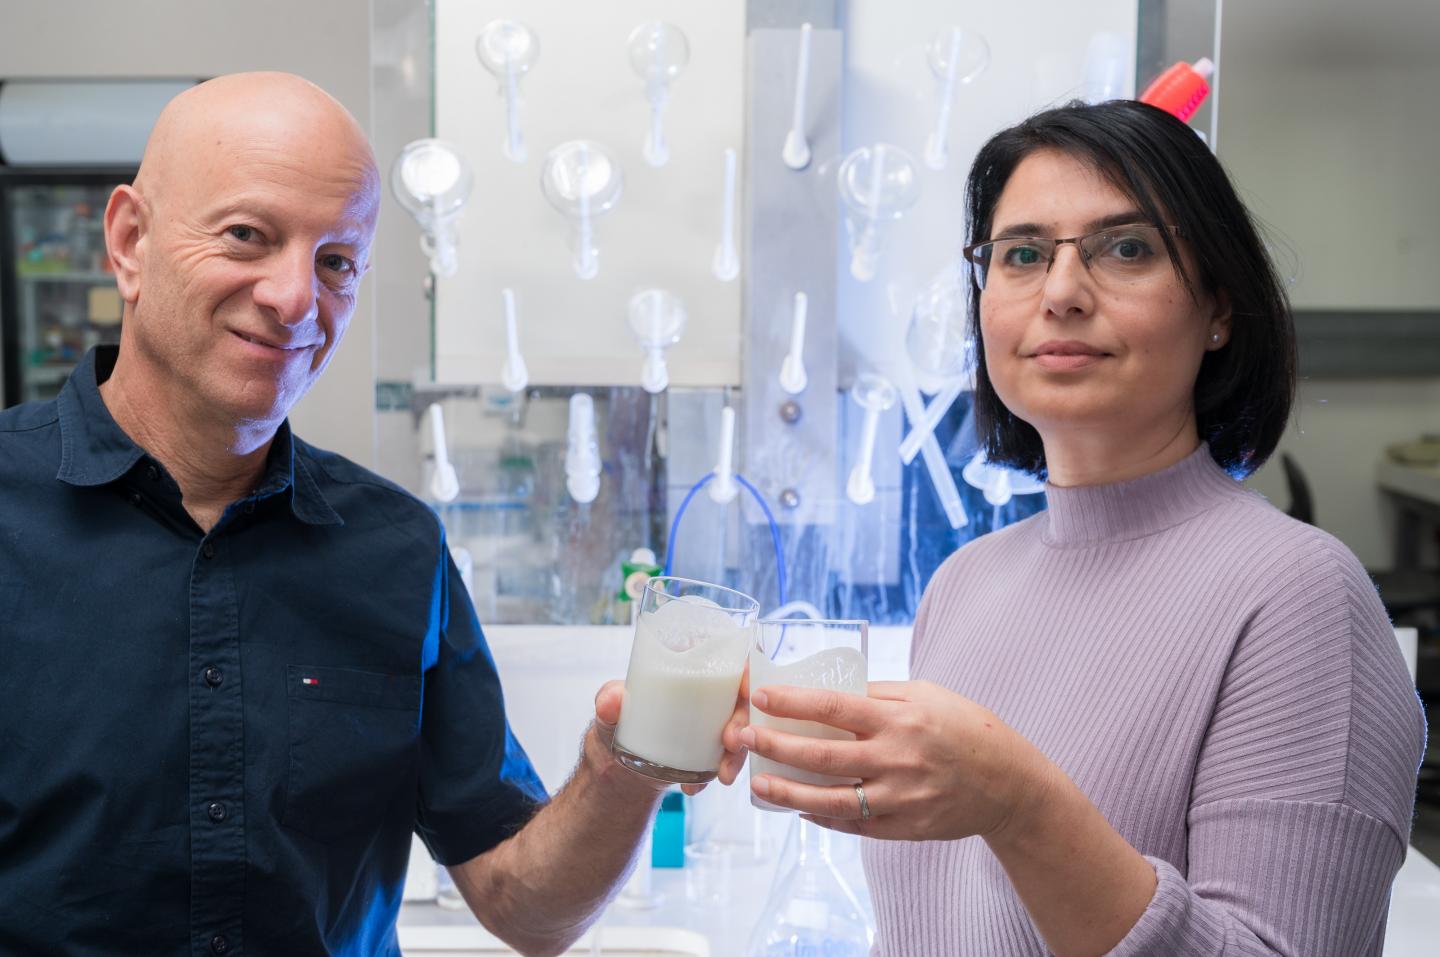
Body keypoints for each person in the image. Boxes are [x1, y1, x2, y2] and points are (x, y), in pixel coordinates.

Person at [0, 72, 745, 957]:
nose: (294, 298)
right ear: (130, 241)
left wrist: (623, 766)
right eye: (247, 235)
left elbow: (523, 905)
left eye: (336, 262)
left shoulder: (398, 550)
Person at [738, 100, 1427, 956]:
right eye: (1023, 255)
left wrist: (1019, 803)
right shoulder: (964, 584)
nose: (1061, 292)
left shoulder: (1300, 597)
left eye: (1126, 248)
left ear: (1220, 306)